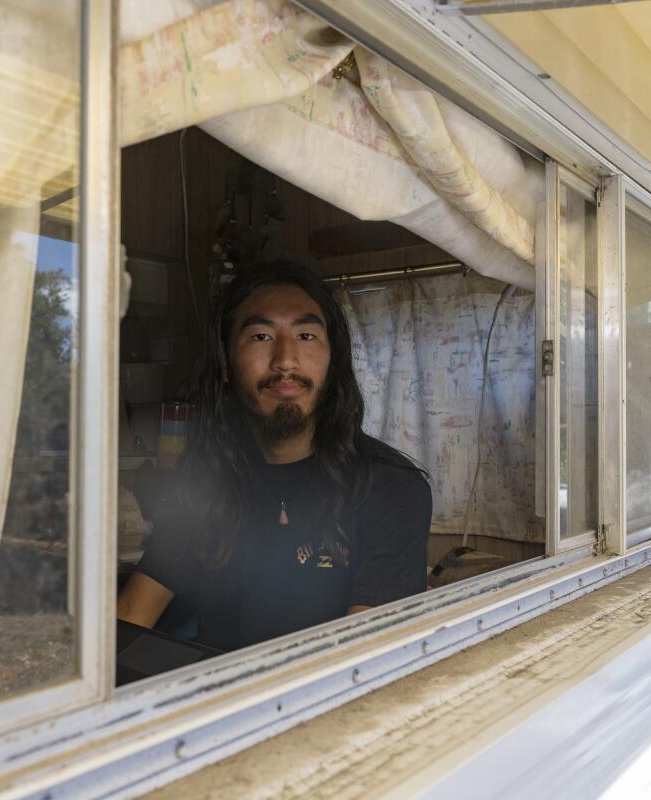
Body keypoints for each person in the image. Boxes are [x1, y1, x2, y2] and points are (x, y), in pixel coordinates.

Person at [117, 260, 432, 652]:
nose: (285, 359)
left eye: (305, 335)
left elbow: (362, 659)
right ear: (227, 364)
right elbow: (133, 610)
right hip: (214, 702)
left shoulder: (389, 487)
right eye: (261, 336)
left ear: (333, 361)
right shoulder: (208, 479)